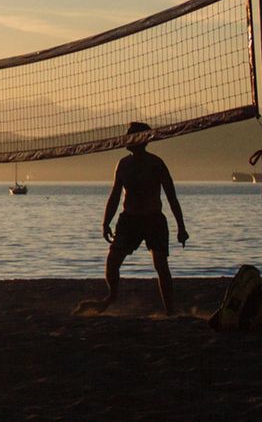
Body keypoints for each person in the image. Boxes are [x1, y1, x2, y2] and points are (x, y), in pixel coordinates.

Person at [81, 121, 188, 316]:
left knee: (161, 265)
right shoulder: (123, 164)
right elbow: (114, 196)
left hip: (154, 219)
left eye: (130, 135)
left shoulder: (156, 164)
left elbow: (172, 197)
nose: (126, 139)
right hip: (129, 220)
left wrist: (181, 227)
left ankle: (170, 311)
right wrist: (106, 222)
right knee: (112, 262)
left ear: (141, 139)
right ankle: (112, 296)